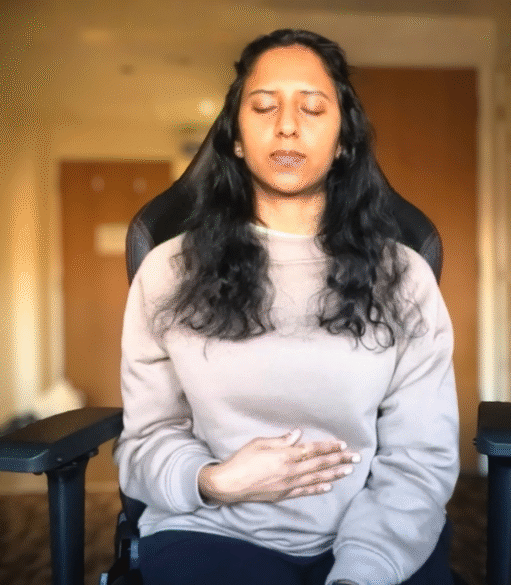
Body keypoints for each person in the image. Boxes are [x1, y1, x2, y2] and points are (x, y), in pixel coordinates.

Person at [113, 29, 459, 585]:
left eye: (313, 107)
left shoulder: (404, 277)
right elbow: (146, 439)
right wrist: (214, 480)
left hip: (369, 533)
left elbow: (421, 456)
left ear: (343, 139)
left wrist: (362, 570)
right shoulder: (168, 271)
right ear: (236, 139)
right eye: (265, 106)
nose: (288, 125)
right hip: (212, 533)